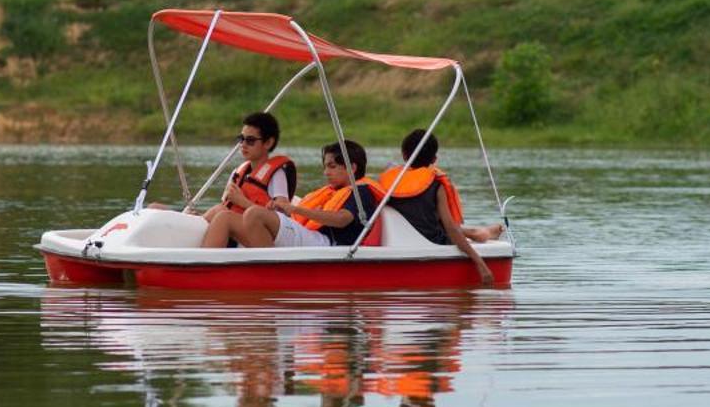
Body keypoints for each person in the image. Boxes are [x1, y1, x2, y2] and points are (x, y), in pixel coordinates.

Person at [375, 129, 501, 283]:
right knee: (451, 226)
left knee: (446, 225)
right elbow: (450, 228)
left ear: (404, 154)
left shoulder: (388, 180)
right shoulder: (436, 185)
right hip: (434, 239)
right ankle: (479, 233)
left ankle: (478, 233)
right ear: (434, 159)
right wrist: (480, 263)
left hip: (398, 238)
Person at [235, 139, 383, 250]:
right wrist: (281, 210)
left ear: (352, 168)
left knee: (254, 214)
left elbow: (342, 219)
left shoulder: (361, 192)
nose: (326, 173)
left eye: (332, 167)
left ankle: (270, 275)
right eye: (325, 167)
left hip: (328, 244)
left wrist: (294, 209)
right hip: (311, 236)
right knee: (225, 218)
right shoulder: (333, 192)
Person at [200, 111, 297, 248]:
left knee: (224, 217)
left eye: (250, 140)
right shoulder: (238, 172)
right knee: (218, 210)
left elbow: (282, 215)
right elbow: (226, 205)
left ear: (268, 142)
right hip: (241, 228)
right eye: (241, 139)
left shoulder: (276, 175)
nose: (243, 144)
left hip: (265, 236)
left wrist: (243, 202)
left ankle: (204, 263)